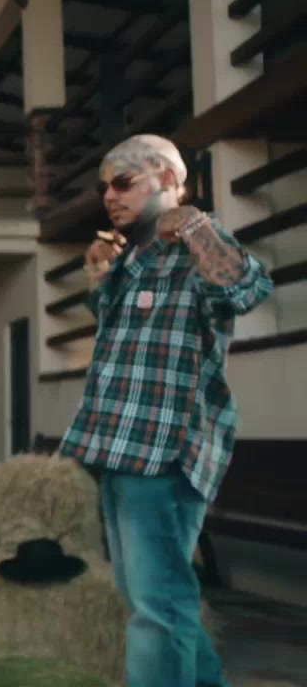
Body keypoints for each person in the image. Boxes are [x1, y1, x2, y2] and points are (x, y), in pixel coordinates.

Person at [58, 134, 274, 687]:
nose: (110, 195)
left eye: (124, 182)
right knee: (151, 602)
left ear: (168, 179)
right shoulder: (132, 259)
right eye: (105, 187)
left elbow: (248, 290)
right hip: (118, 450)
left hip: (165, 454)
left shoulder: (195, 248)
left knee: (156, 606)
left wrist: (195, 224)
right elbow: (120, 342)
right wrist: (99, 277)